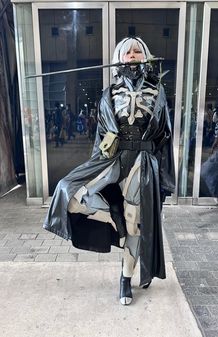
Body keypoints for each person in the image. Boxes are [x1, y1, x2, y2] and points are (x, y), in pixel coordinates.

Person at [44, 37, 175, 305]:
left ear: (146, 56)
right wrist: (96, 165)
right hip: (114, 158)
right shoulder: (109, 94)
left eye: (139, 50)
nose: (134, 55)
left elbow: (165, 136)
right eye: (128, 52)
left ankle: (126, 278)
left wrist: (164, 181)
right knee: (68, 194)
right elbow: (101, 136)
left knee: (136, 223)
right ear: (120, 57)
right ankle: (115, 217)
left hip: (144, 161)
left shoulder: (157, 91)